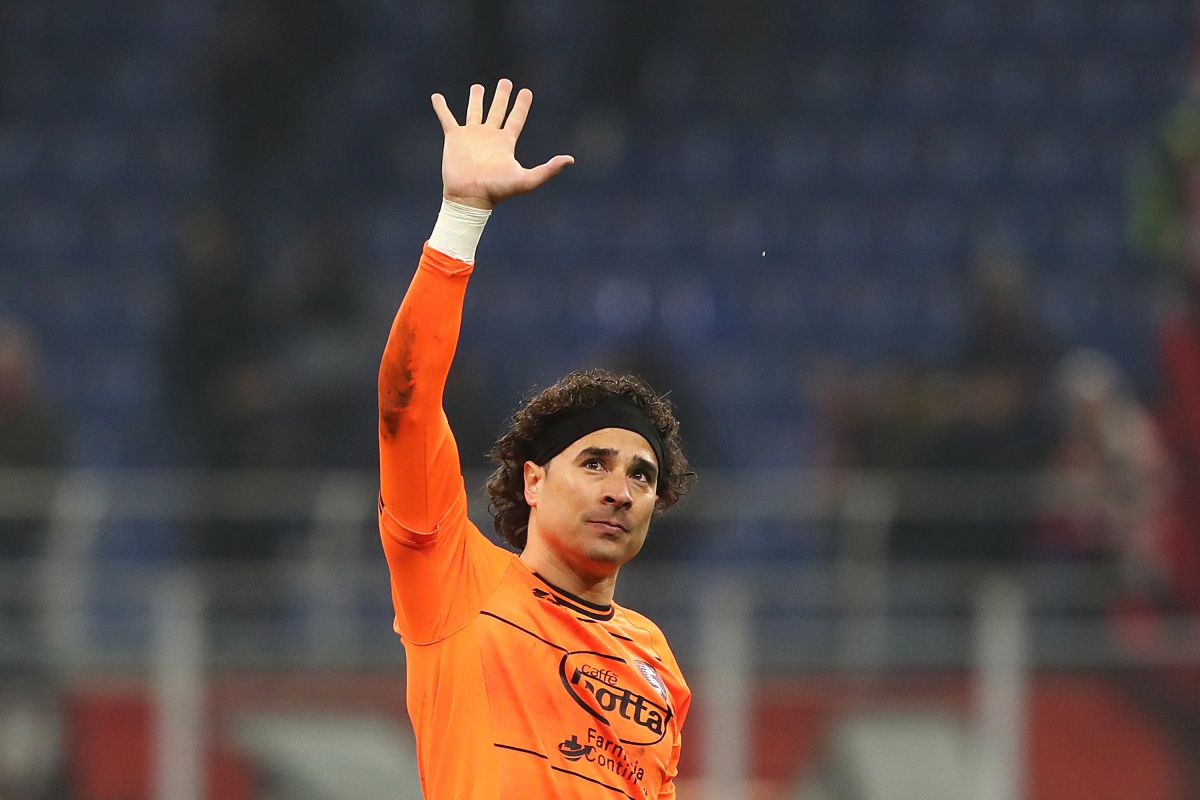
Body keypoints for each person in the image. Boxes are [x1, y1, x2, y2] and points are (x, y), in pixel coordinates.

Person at [377, 80, 695, 799]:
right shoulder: (453, 582)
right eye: (595, 462)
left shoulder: (655, 661)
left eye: (642, 476)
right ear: (533, 479)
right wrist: (460, 217)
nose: (621, 489)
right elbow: (406, 402)